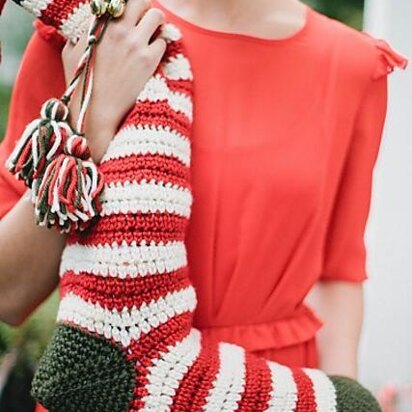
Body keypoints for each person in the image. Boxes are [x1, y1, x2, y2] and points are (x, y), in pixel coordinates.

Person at [0, 0, 407, 411]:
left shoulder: (352, 64)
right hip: (115, 385)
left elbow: (338, 274)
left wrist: (346, 400)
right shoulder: (102, 30)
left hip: (272, 394)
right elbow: (8, 295)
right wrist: (91, 123)